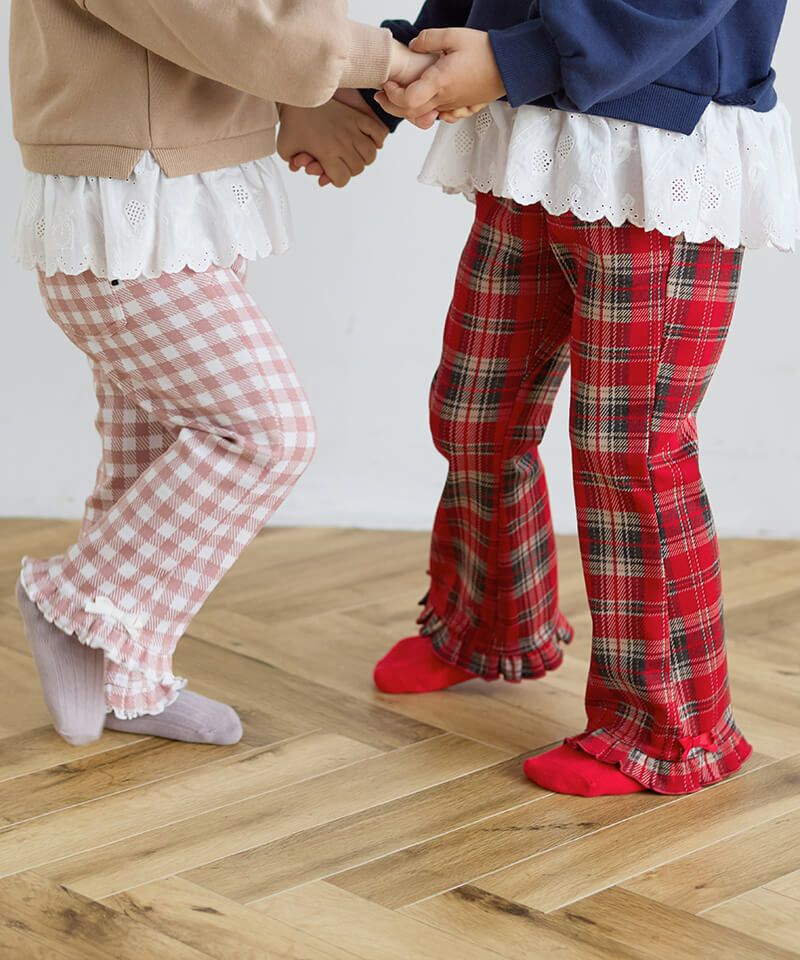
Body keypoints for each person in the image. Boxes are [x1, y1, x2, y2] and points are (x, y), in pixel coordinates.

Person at [293, 0, 798, 796]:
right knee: (474, 408)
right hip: (534, 138)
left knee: (632, 452)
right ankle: (488, 623)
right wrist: (398, 69)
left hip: (661, 152)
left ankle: (669, 728)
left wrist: (511, 61)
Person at [10, 0, 432, 747]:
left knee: (147, 458)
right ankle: (73, 600)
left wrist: (303, 92)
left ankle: (127, 681)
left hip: (183, 189)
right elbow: (214, 14)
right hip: (126, 194)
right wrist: (377, 61)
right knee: (265, 434)